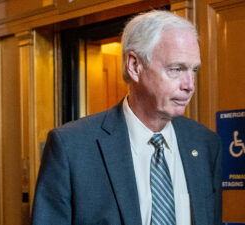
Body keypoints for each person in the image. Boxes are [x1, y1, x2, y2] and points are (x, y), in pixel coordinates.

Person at [31, 10, 222, 225]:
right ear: (134, 66)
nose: (189, 85)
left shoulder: (205, 144)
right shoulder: (72, 147)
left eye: (194, 70)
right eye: (176, 69)